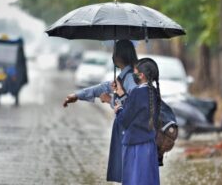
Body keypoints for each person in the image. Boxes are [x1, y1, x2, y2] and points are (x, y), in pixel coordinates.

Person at [63, 39, 138, 183]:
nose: (112, 56)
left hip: (129, 131)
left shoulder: (129, 79)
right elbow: (103, 88)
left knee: (129, 172)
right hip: (125, 130)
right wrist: (77, 95)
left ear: (119, 56)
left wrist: (109, 100)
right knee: (126, 171)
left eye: (114, 52)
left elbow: (133, 106)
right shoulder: (124, 76)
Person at [114, 58, 161, 185]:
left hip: (135, 147)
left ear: (141, 75)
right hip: (149, 146)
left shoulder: (137, 92)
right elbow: (138, 110)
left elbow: (124, 120)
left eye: (134, 72)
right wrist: (123, 95)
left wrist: (118, 110)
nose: (133, 75)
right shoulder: (154, 93)